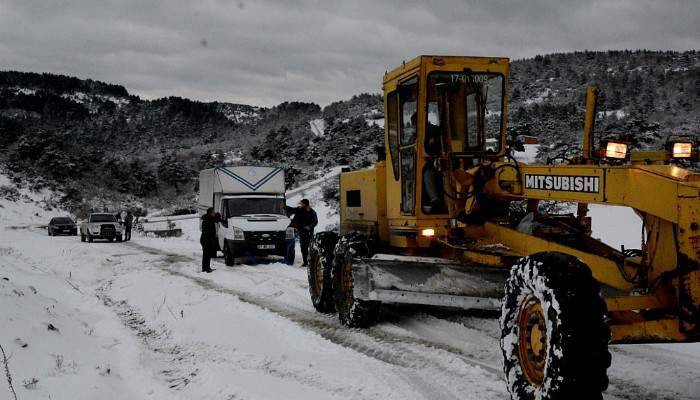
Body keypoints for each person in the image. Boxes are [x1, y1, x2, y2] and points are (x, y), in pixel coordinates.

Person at [284, 199, 318, 266]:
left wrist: (309, 227)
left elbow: (315, 221)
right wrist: (284, 206)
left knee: (309, 247)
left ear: (305, 204)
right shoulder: (300, 210)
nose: (301, 205)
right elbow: (292, 210)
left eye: (302, 204)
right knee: (303, 247)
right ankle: (306, 262)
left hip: (308, 233)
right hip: (302, 232)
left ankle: (311, 262)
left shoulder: (312, 212)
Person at [200, 208, 218, 273]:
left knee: (207, 254)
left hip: (206, 239)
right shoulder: (208, 220)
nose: (214, 213)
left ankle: (206, 268)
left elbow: (216, 218)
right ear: (210, 213)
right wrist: (210, 240)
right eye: (213, 212)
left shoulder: (209, 219)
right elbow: (207, 232)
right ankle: (206, 269)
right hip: (206, 240)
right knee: (207, 254)